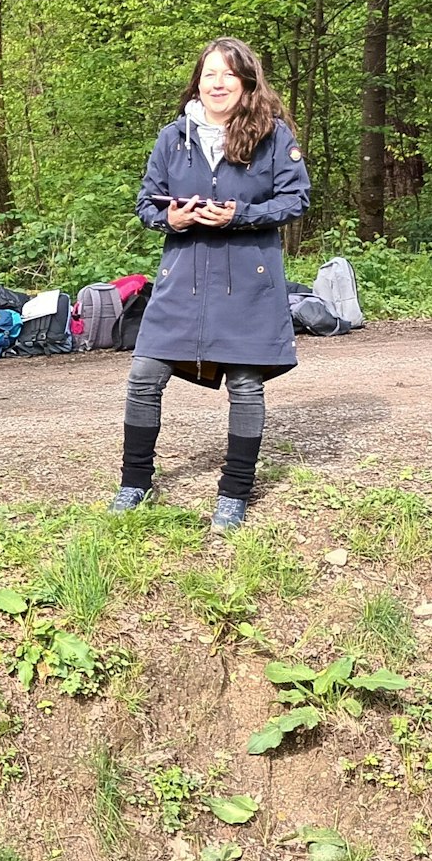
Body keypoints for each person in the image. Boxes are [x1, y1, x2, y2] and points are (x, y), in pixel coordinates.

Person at [112, 36, 310, 533]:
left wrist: (239, 215)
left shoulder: (272, 135)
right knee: (144, 376)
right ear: (197, 82)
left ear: (246, 83)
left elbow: (296, 200)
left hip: (248, 276)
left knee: (245, 386)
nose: (217, 83)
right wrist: (171, 220)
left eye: (228, 74)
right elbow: (145, 203)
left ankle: (235, 491)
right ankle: (135, 482)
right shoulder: (171, 137)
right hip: (183, 277)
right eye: (208, 74)